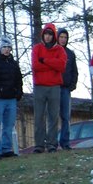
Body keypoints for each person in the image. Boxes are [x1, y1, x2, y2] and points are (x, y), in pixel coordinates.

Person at [31, 24, 67, 153]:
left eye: (50, 34)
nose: (48, 36)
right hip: (39, 86)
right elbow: (35, 66)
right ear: (42, 35)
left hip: (54, 87)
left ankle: (52, 144)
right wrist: (53, 63)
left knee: (53, 116)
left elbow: (61, 66)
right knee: (39, 117)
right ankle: (39, 145)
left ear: (53, 36)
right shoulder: (37, 49)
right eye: (46, 34)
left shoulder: (60, 50)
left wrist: (45, 60)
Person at [0, 36, 23, 158]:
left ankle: (7, 148)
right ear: (0, 48)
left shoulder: (13, 63)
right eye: (5, 47)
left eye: (9, 47)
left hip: (11, 99)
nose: (7, 50)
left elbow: (19, 79)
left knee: (8, 126)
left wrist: (18, 93)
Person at [57, 28, 79, 150]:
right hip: (54, 88)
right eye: (61, 37)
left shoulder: (70, 54)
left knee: (66, 116)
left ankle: (65, 142)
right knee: (53, 116)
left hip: (65, 89)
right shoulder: (53, 51)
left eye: (65, 37)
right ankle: (51, 142)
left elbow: (75, 71)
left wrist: (72, 85)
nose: (63, 39)